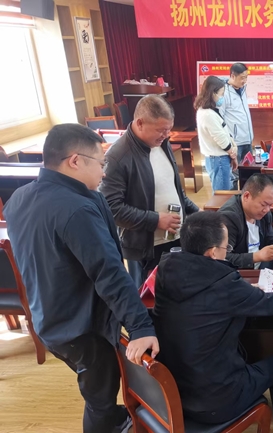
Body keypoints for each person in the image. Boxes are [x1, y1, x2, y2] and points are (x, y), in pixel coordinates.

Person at [4, 124, 159, 433]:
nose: (104, 172)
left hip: (47, 318)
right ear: (75, 161)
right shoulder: (76, 209)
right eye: (100, 163)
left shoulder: (19, 198)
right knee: (100, 399)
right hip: (81, 328)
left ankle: (116, 419)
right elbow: (110, 273)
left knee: (98, 390)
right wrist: (141, 327)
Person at [152, 211, 273, 432]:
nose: (227, 252)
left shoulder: (166, 269)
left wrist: (243, 292)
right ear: (212, 252)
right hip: (215, 401)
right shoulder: (225, 282)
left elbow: (207, 300)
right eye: (226, 248)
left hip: (173, 392)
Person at [101, 94, 199, 288]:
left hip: (175, 237)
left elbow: (174, 188)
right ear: (140, 123)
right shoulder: (118, 156)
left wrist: (197, 213)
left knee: (178, 293)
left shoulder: (162, 143)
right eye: (161, 130)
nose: (166, 135)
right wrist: (155, 220)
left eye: (169, 129)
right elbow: (111, 208)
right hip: (146, 248)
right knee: (150, 298)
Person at [218, 174, 273, 269]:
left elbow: (271, 238)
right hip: (240, 270)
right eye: (263, 204)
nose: (267, 210)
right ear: (247, 196)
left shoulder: (264, 213)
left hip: (260, 263)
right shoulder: (228, 217)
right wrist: (257, 256)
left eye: (270, 205)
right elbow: (223, 258)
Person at [195, 75, 238, 191]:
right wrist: (232, 154)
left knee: (223, 192)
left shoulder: (208, 110)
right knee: (222, 195)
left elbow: (223, 131)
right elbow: (220, 138)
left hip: (218, 158)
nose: (222, 97)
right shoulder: (207, 114)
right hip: (218, 159)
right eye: (221, 94)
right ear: (213, 93)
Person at [222, 62, 254, 165]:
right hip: (235, 143)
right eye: (242, 78)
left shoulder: (243, 89)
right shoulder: (224, 92)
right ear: (232, 76)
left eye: (246, 77)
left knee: (249, 170)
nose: (244, 81)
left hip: (248, 140)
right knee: (235, 171)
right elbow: (220, 118)